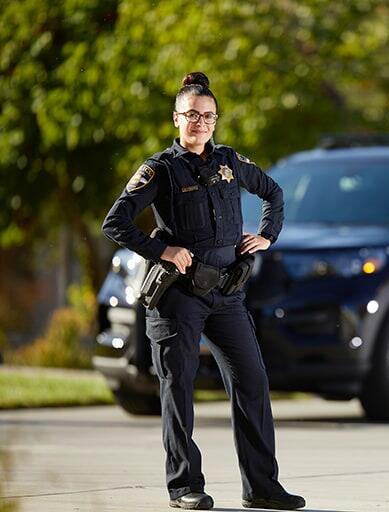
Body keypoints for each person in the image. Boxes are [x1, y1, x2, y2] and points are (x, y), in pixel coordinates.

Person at [102, 72, 305, 511]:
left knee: (251, 381)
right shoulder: (159, 169)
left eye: (208, 116)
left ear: (216, 121)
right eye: (192, 115)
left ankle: (262, 487)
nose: (200, 123)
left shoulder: (230, 161)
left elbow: (273, 193)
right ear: (176, 118)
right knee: (179, 388)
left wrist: (266, 234)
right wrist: (162, 249)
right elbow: (115, 222)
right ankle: (184, 486)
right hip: (178, 297)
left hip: (226, 294)